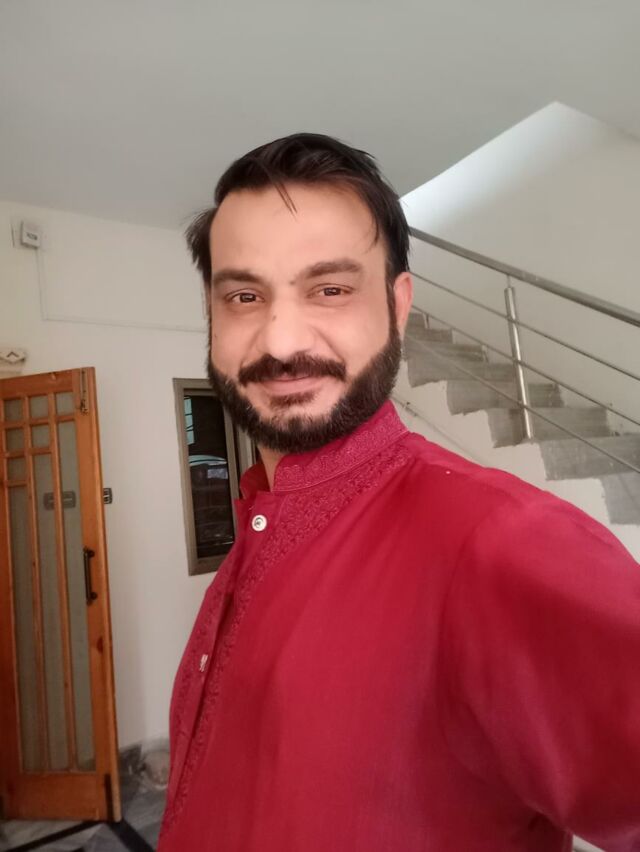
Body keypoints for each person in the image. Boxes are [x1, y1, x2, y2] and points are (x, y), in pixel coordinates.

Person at [158, 133, 640, 852]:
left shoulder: (505, 545)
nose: (281, 340)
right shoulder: (256, 528)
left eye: (330, 289)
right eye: (244, 296)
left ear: (398, 303)